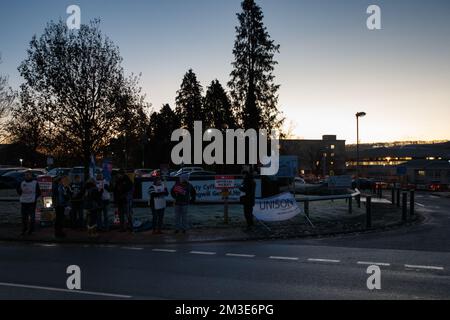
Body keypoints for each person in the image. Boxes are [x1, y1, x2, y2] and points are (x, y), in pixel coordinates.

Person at [16, 170, 41, 236]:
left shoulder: (35, 183)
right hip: (24, 202)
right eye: (26, 175)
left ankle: (31, 230)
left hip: (32, 202)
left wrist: (34, 197)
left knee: (32, 217)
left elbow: (38, 192)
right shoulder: (21, 182)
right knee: (24, 217)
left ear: (31, 175)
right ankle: (24, 230)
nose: (27, 176)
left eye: (28, 175)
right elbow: (18, 190)